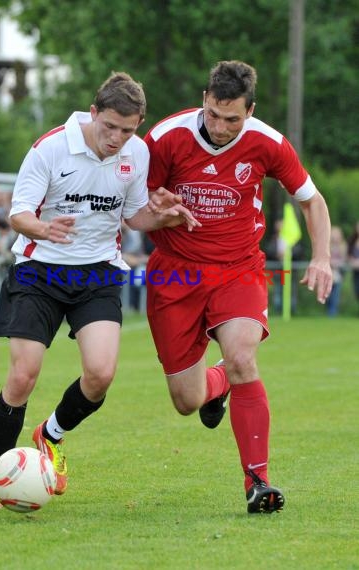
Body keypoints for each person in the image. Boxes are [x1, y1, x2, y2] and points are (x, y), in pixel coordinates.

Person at [0, 71, 199, 509]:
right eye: (109, 126)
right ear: (93, 113)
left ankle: (50, 434)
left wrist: (170, 216)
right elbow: (19, 215)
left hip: (97, 273)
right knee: (22, 377)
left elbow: (135, 217)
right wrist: (45, 228)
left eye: (128, 130)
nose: (116, 138)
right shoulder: (51, 148)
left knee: (101, 375)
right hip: (39, 271)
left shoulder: (136, 153)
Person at [144, 60, 332, 514]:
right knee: (187, 401)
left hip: (238, 268)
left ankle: (258, 482)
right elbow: (136, 207)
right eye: (213, 114)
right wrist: (160, 210)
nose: (221, 126)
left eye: (233, 118)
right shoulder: (165, 137)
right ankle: (218, 381)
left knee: (244, 357)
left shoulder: (268, 142)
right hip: (176, 272)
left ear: (251, 110)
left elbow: (313, 201)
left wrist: (322, 257)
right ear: (205, 99)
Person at [326, 226, 347, 317]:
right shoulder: (327, 245)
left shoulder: (343, 246)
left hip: (338, 275)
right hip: (328, 274)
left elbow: (344, 259)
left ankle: (332, 314)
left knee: (335, 296)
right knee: (327, 296)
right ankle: (329, 311)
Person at [347, 221, 359, 309]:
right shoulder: (352, 241)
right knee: (357, 291)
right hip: (355, 272)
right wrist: (352, 261)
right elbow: (348, 255)